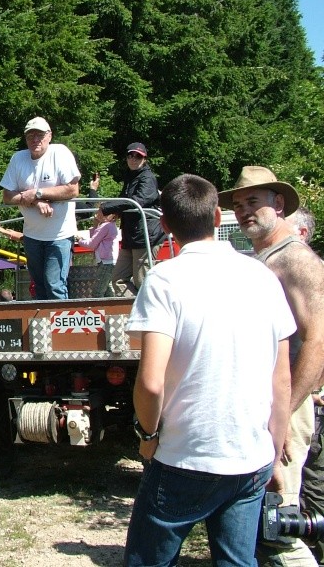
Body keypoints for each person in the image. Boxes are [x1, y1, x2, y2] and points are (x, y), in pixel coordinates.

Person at [124, 174, 294, 567]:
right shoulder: (263, 277)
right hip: (250, 457)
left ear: (165, 225)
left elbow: (150, 382)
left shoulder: (165, 279)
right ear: (219, 216)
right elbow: (280, 379)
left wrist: (147, 436)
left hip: (185, 457)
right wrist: (273, 449)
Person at [218, 165, 324, 567]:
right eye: (240, 204)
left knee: (277, 524)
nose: (245, 211)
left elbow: (318, 340)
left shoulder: (296, 260)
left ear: (278, 205)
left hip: (285, 410)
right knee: (260, 518)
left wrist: (286, 412)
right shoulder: (264, 259)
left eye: (254, 202)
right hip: (267, 407)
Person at [0, 116, 80, 300]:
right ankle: (44, 327)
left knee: (55, 285)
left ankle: (59, 327)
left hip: (59, 235)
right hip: (32, 235)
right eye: (30, 135)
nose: (35, 139)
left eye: (40, 135)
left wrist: (38, 193)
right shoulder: (18, 158)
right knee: (39, 287)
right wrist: (36, 201)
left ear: (49, 136)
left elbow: (73, 189)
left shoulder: (60, 153)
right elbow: (7, 196)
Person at [288, 206, 324, 566]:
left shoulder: (309, 270)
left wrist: (295, 400)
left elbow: (317, 342)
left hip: (304, 400)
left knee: (299, 488)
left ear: (301, 234)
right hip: (301, 397)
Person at [100, 142, 164, 297]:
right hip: (131, 236)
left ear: (145, 159)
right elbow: (126, 201)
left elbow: (139, 201)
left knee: (142, 281)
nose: (133, 159)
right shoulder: (130, 176)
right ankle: (134, 311)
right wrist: (115, 212)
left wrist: (107, 208)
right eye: (130, 155)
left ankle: (149, 314)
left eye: (138, 156)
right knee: (118, 279)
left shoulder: (147, 178)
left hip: (146, 236)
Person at [75, 207, 118, 297]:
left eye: (101, 212)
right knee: (106, 288)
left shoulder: (105, 226)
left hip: (106, 262)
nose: (98, 213)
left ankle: (102, 308)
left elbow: (92, 244)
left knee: (98, 291)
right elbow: (95, 239)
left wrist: (79, 241)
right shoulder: (110, 226)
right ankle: (112, 308)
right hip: (108, 260)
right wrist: (95, 226)